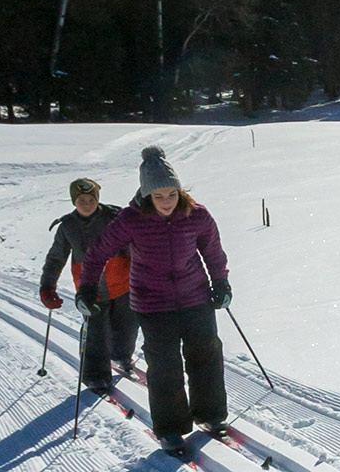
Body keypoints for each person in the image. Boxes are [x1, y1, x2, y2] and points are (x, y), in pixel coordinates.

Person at [77, 146, 232, 456]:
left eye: (171, 195)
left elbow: (212, 251)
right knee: (164, 365)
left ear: (179, 191)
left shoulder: (197, 214)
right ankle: (172, 428)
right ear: (147, 195)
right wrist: (87, 287)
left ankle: (211, 414)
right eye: (158, 197)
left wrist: (221, 280)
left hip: (195, 296)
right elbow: (98, 252)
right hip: (152, 301)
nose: (166, 202)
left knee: (206, 352)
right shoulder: (131, 219)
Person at [40, 178, 140, 393]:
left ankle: (122, 356)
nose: (87, 204)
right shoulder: (67, 226)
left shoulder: (115, 217)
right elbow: (56, 258)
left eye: (91, 199)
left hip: (123, 283)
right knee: (96, 331)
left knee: (127, 326)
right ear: (74, 202)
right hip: (91, 288)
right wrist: (48, 287)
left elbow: (134, 245)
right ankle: (95, 375)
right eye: (81, 200)